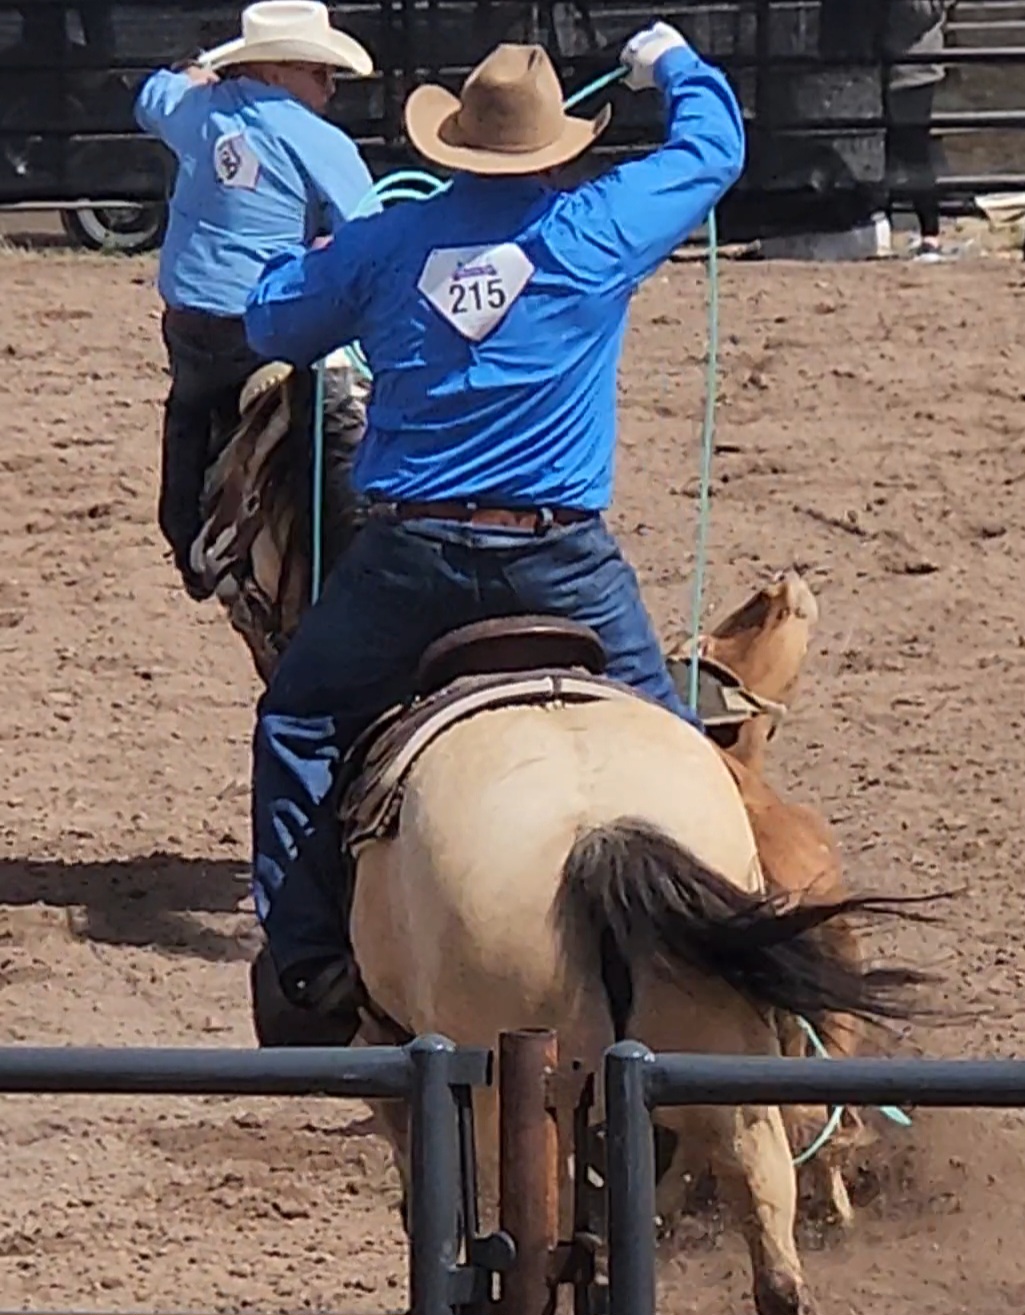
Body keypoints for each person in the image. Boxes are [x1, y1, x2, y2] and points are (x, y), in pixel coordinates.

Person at [241, 22, 747, 1045]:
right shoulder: (597, 227)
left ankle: (308, 962)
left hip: (411, 558)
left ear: (453, 146)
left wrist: (325, 259)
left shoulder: (390, 245)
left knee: (299, 719)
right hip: (563, 561)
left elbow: (269, 324)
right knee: (681, 748)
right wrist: (676, 65)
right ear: (557, 146)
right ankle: (742, 970)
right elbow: (713, 153)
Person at [134, 0, 380, 600]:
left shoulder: (195, 110)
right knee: (337, 406)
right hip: (269, 321)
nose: (329, 85)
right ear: (274, 71)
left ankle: (188, 538)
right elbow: (370, 234)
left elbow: (151, 95)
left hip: (192, 318)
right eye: (317, 71)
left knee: (189, 407)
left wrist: (191, 72)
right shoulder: (320, 142)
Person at [884, 0, 950, 261]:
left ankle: (929, 233)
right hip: (881, 65)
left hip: (912, 70)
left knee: (914, 149)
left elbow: (923, 12)